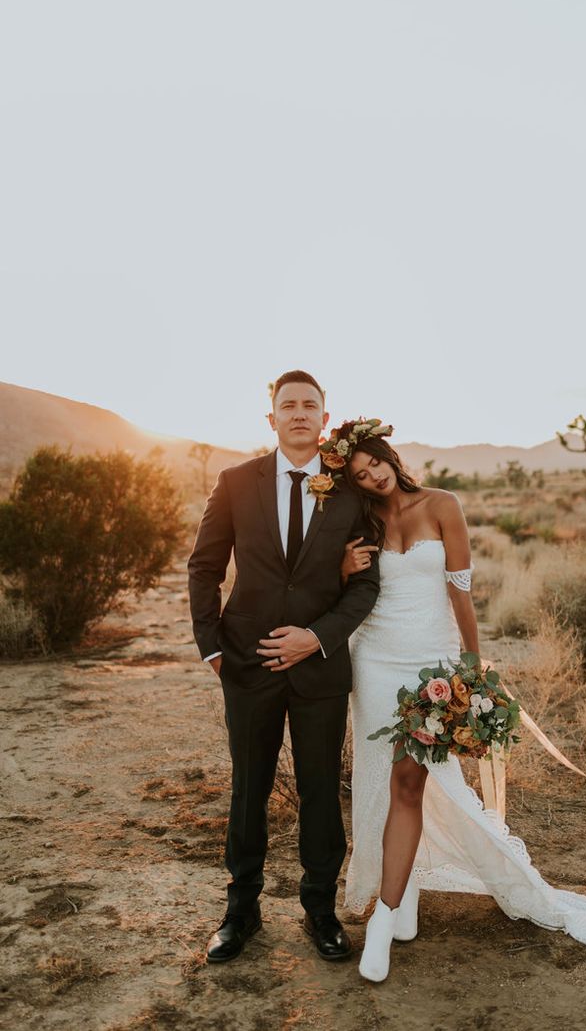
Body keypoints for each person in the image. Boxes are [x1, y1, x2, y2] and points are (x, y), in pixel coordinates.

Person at [330, 419, 586, 982]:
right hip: (374, 659)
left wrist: (473, 672)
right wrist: (342, 567)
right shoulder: (361, 518)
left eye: (374, 462)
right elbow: (343, 590)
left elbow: (461, 594)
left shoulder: (442, 504)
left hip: (432, 662)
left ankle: (385, 918)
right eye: (359, 473)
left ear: (388, 454)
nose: (372, 476)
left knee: (409, 780)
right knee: (380, 781)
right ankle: (406, 894)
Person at [187, 373, 379, 965]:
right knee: (250, 788)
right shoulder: (236, 482)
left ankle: (320, 909)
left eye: (310, 405)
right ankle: (240, 911)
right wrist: (212, 647)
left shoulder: (351, 492)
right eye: (287, 405)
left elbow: (365, 584)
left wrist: (316, 638)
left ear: (325, 418)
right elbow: (204, 566)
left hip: (319, 667)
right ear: (270, 419)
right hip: (247, 663)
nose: (299, 413)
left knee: (322, 790)